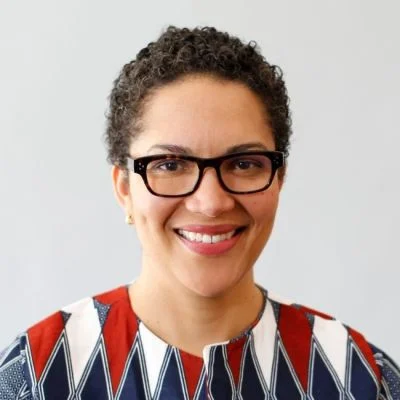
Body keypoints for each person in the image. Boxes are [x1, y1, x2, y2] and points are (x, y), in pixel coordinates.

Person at [0, 25, 399, 400]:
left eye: (244, 164)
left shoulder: (359, 377)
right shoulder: (36, 375)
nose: (211, 202)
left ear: (278, 179)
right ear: (124, 188)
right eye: (170, 165)